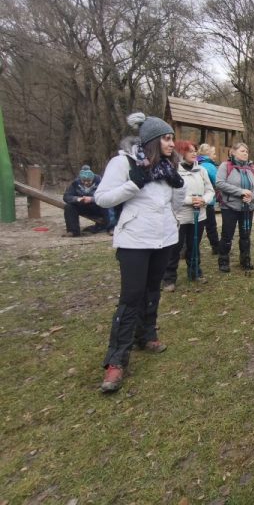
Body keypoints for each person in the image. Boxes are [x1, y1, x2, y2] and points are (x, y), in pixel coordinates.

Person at [93, 114, 186, 393]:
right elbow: (102, 198)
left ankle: (147, 335)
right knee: (131, 297)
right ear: (152, 141)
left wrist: (179, 188)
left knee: (152, 291)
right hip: (134, 240)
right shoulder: (124, 163)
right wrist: (133, 183)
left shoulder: (170, 167)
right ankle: (116, 360)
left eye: (172, 138)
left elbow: (175, 204)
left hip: (164, 238)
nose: (172, 143)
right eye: (167, 139)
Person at [163, 141, 214, 291]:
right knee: (175, 247)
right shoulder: (174, 170)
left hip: (199, 215)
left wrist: (204, 199)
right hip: (180, 216)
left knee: (194, 245)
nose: (194, 153)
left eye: (195, 150)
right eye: (190, 151)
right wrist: (189, 200)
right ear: (181, 153)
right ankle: (168, 278)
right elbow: (170, 193)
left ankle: (194, 272)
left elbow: (210, 190)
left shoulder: (201, 170)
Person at [215, 143, 254, 272]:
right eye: (242, 151)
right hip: (230, 207)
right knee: (227, 235)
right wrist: (240, 191)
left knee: (245, 235)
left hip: (248, 207)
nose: (245, 153)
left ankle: (245, 260)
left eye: (247, 151)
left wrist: (252, 195)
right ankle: (223, 261)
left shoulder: (252, 167)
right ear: (233, 152)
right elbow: (219, 183)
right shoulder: (225, 166)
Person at [62, 165, 110, 236]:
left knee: (108, 205)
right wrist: (77, 199)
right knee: (69, 207)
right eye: (83, 181)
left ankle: (111, 228)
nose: (86, 183)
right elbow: (66, 196)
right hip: (83, 206)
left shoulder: (101, 182)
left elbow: (107, 196)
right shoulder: (75, 183)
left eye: (88, 181)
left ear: (93, 179)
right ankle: (73, 231)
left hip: (97, 206)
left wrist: (92, 199)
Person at [197, 143, 220, 255]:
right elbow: (218, 181)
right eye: (214, 153)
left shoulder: (195, 163)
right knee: (211, 226)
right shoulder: (209, 166)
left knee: (194, 226)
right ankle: (216, 246)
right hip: (207, 201)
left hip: (195, 201)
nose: (215, 156)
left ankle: (186, 249)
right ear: (208, 154)